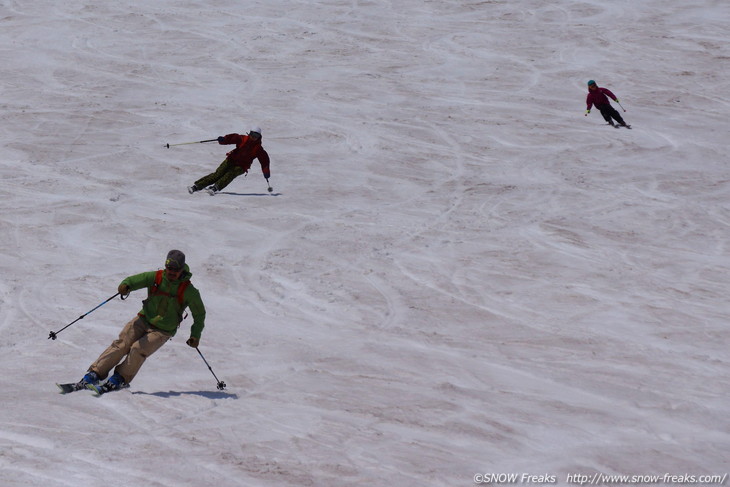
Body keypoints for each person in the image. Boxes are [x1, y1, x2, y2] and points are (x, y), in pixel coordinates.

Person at [76, 250, 206, 393]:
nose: (172, 272)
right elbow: (134, 280)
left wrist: (195, 335)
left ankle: (120, 379)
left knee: (138, 349)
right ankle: (95, 373)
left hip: (163, 330)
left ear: (182, 269)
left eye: (176, 270)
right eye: (169, 268)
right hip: (144, 319)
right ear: (165, 266)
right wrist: (126, 285)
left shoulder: (189, 291)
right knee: (122, 344)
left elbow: (199, 314)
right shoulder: (156, 277)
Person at [188, 126, 271, 195]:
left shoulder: (258, 149)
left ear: (259, 137)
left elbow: (265, 161)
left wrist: (266, 172)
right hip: (231, 159)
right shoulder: (243, 139)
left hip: (242, 166)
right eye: (252, 134)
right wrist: (224, 139)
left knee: (230, 174)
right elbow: (233, 138)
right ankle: (197, 186)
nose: (253, 137)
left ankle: (216, 187)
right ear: (250, 133)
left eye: (256, 136)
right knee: (217, 174)